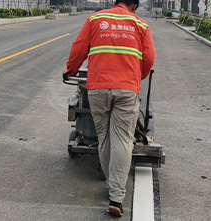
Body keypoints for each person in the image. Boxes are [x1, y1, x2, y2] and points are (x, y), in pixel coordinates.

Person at [63, 0, 156, 217]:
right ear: (134, 5)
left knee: (104, 138)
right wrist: (136, 77)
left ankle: (110, 181)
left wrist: (70, 69)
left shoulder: (95, 19)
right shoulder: (140, 25)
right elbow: (149, 58)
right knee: (123, 139)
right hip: (127, 89)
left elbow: (79, 48)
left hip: (98, 88)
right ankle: (116, 197)